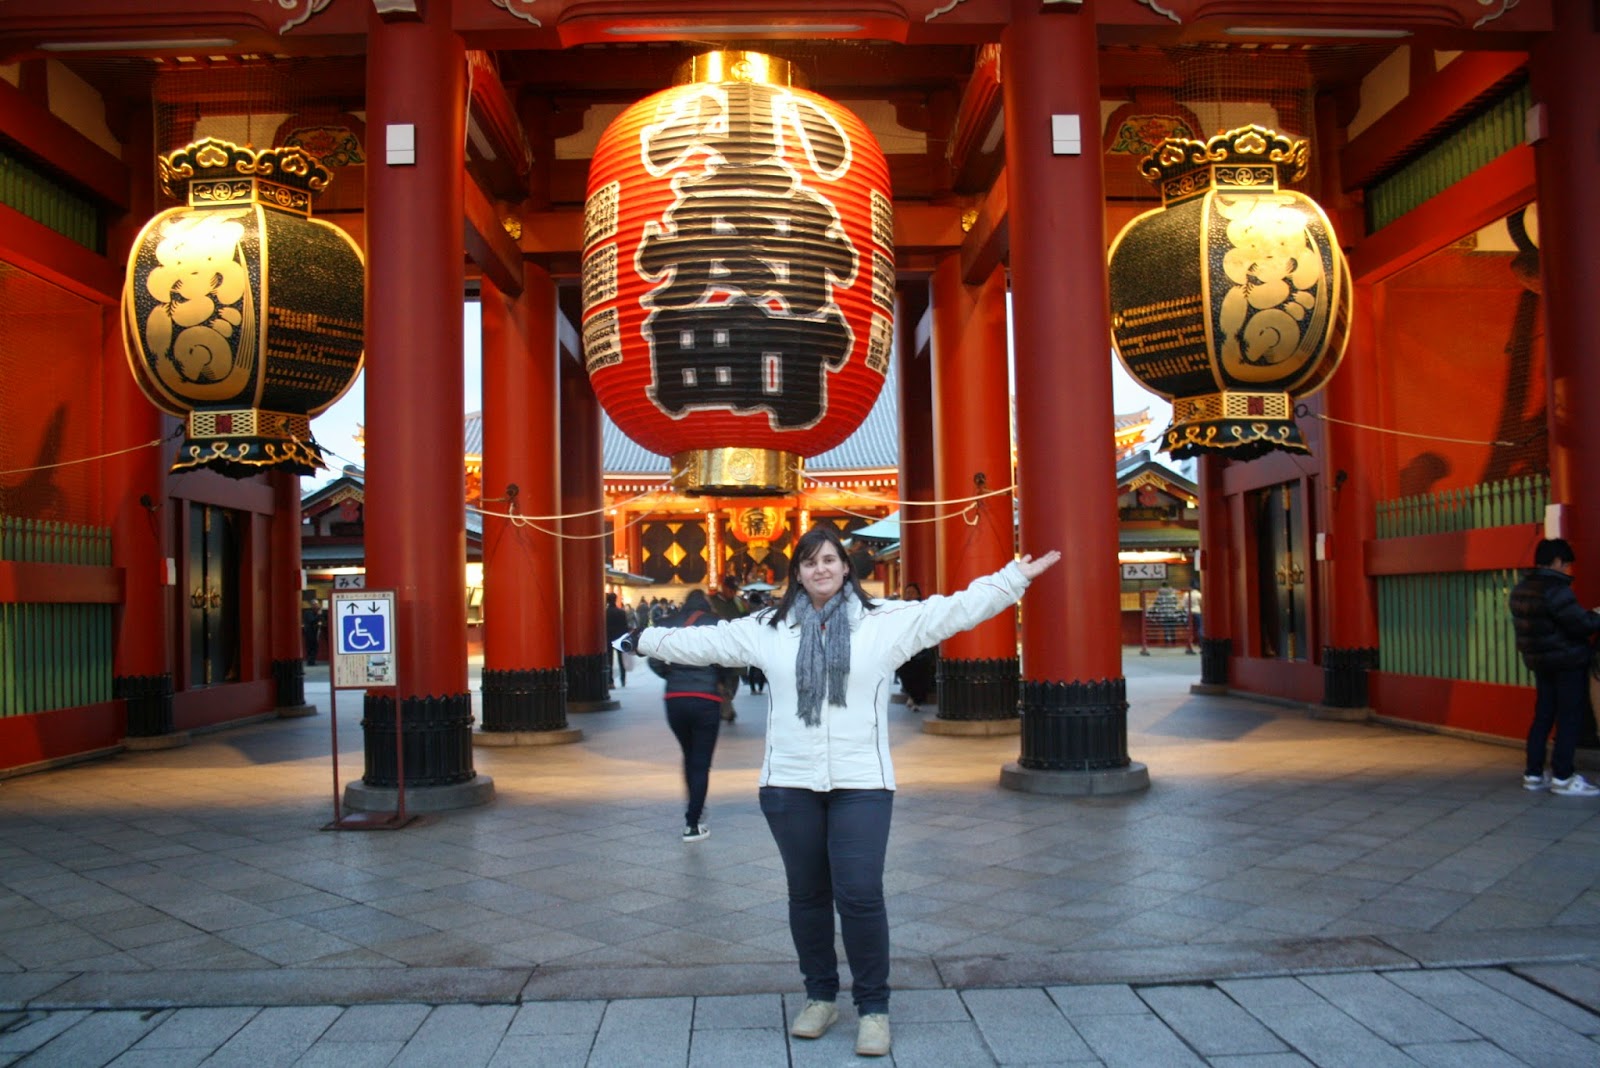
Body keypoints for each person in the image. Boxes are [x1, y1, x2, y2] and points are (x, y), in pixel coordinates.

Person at [627, 524, 1060, 1057]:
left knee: (859, 894)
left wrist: (1013, 577)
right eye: (809, 562)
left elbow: (953, 610)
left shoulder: (884, 623)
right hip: (789, 783)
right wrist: (640, 639)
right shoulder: (768, 627)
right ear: (797, 572)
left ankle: (873, 1007)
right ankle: (819, 996)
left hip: (862, 783)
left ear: (845, 566)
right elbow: (703, 642)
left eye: (829, 559)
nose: (821, 569)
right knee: (807, 896)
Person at [1509, 538, 1600, 797]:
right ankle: (1563, 776)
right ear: (1557, 561)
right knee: (1568, 717)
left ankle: (1533, 773)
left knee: (1543, 715)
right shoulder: (1556, 590)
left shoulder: (1521, 589)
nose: (1568, 569)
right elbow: (1581, 624)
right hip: (1567, 662)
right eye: (1567, 564)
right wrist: (1596, 615)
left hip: (1540, 662)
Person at [647, 589, 727, 842]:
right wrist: (718, 679)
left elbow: (653, 659)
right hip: (707, 699)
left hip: (675, 698)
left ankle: (695, 805)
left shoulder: (666, 624)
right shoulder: (717, 623)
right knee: (701, 762)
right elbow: (730, 658)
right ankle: (693, 822)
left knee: (689, 754)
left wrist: (672, 675)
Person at [708, 575, 748, 721]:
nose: (733, 593)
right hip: (716, 648)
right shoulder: (711, 602)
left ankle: (726, 703)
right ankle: (726, 707)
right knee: (719, 680)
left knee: (734, 679)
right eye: (730, 589)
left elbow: (746, 620)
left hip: (735, 648)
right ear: (723, 587)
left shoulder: (738, 603)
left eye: (735, 590)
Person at [893, 583, 936, 712]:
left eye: (912, 592)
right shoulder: (901, 609)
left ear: (918, 594)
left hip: (921, 645)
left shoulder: (924, 608)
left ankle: (917, 699)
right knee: (904, 671)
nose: (909, 595)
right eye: (907, 592)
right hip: (906, 645)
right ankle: (912, 695)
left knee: (921, 672)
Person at [605, 592, 631, 686]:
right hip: (619, 638)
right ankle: (623, 679)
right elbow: (625, 627)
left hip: (608, 638)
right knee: (621, 660)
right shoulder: (621, 612)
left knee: (609, 661)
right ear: (615, 599)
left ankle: (610, 681)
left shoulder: (605, 612)